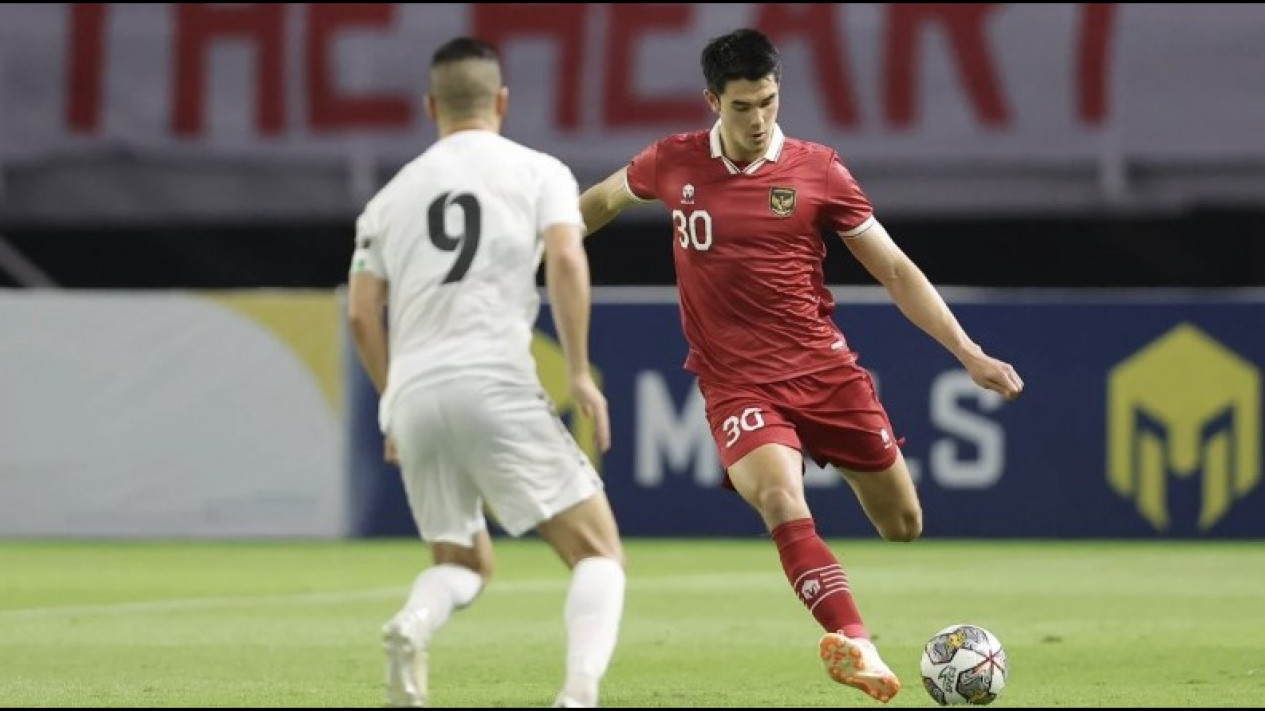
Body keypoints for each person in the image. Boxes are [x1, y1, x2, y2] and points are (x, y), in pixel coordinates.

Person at [579, 28, 1023, 704]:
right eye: (741, 107)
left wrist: (967, 352)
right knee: (780, 497)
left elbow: (896, 270)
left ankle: (840, 577)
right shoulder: (672, 162)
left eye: (767, 101)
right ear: (711, 101)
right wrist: (534, 243)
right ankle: (857, 643)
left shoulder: (818, 171)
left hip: (825, 373)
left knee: (902, 524)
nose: (757, 121)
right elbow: (603, 201)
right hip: (736, 382)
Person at [347, 36, 625, 709]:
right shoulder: (539, 171)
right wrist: (580, 370)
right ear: (500, 101)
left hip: (413, 393)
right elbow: (564, 259)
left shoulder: (387, 199)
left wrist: (390, 404)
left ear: (429, 106)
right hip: (495, 380)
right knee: (597, 553)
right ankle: (578, 694)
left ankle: (412, 622)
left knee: (464, 561)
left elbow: (360, 315)